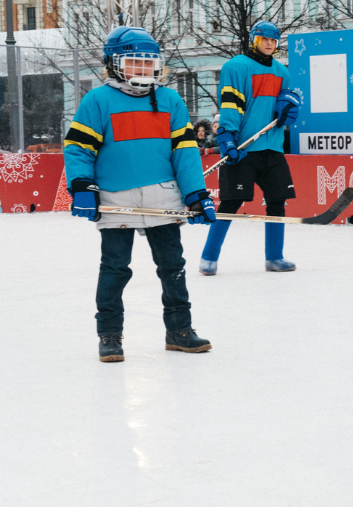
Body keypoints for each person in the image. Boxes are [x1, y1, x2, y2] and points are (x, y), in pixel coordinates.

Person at [63, 26, 216, 362]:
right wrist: (82, 187)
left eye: (150, 63)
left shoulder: (170, 100)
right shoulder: (97, 100)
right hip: (117, 201)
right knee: (115, 269)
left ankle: (180, 331)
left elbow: (185, 152)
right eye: (135, 62)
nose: (144, 69)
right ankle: (109, 335)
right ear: (114, 64)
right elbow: (78, 148)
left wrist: (195, 194)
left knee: (172, 266)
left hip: (164, 198)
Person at [198, 20, 303, 275]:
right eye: (264, 39)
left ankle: (274, 257)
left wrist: (289, 109)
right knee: (230, 204)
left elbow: (284, 105)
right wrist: (227, 137)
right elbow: (231, 104)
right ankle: (208, 257)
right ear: (254, 40)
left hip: (272, 146)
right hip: (242, 147)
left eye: (273, 41)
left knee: (277, 202)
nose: (269, 44)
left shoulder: (282, 72)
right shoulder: (236, 67)